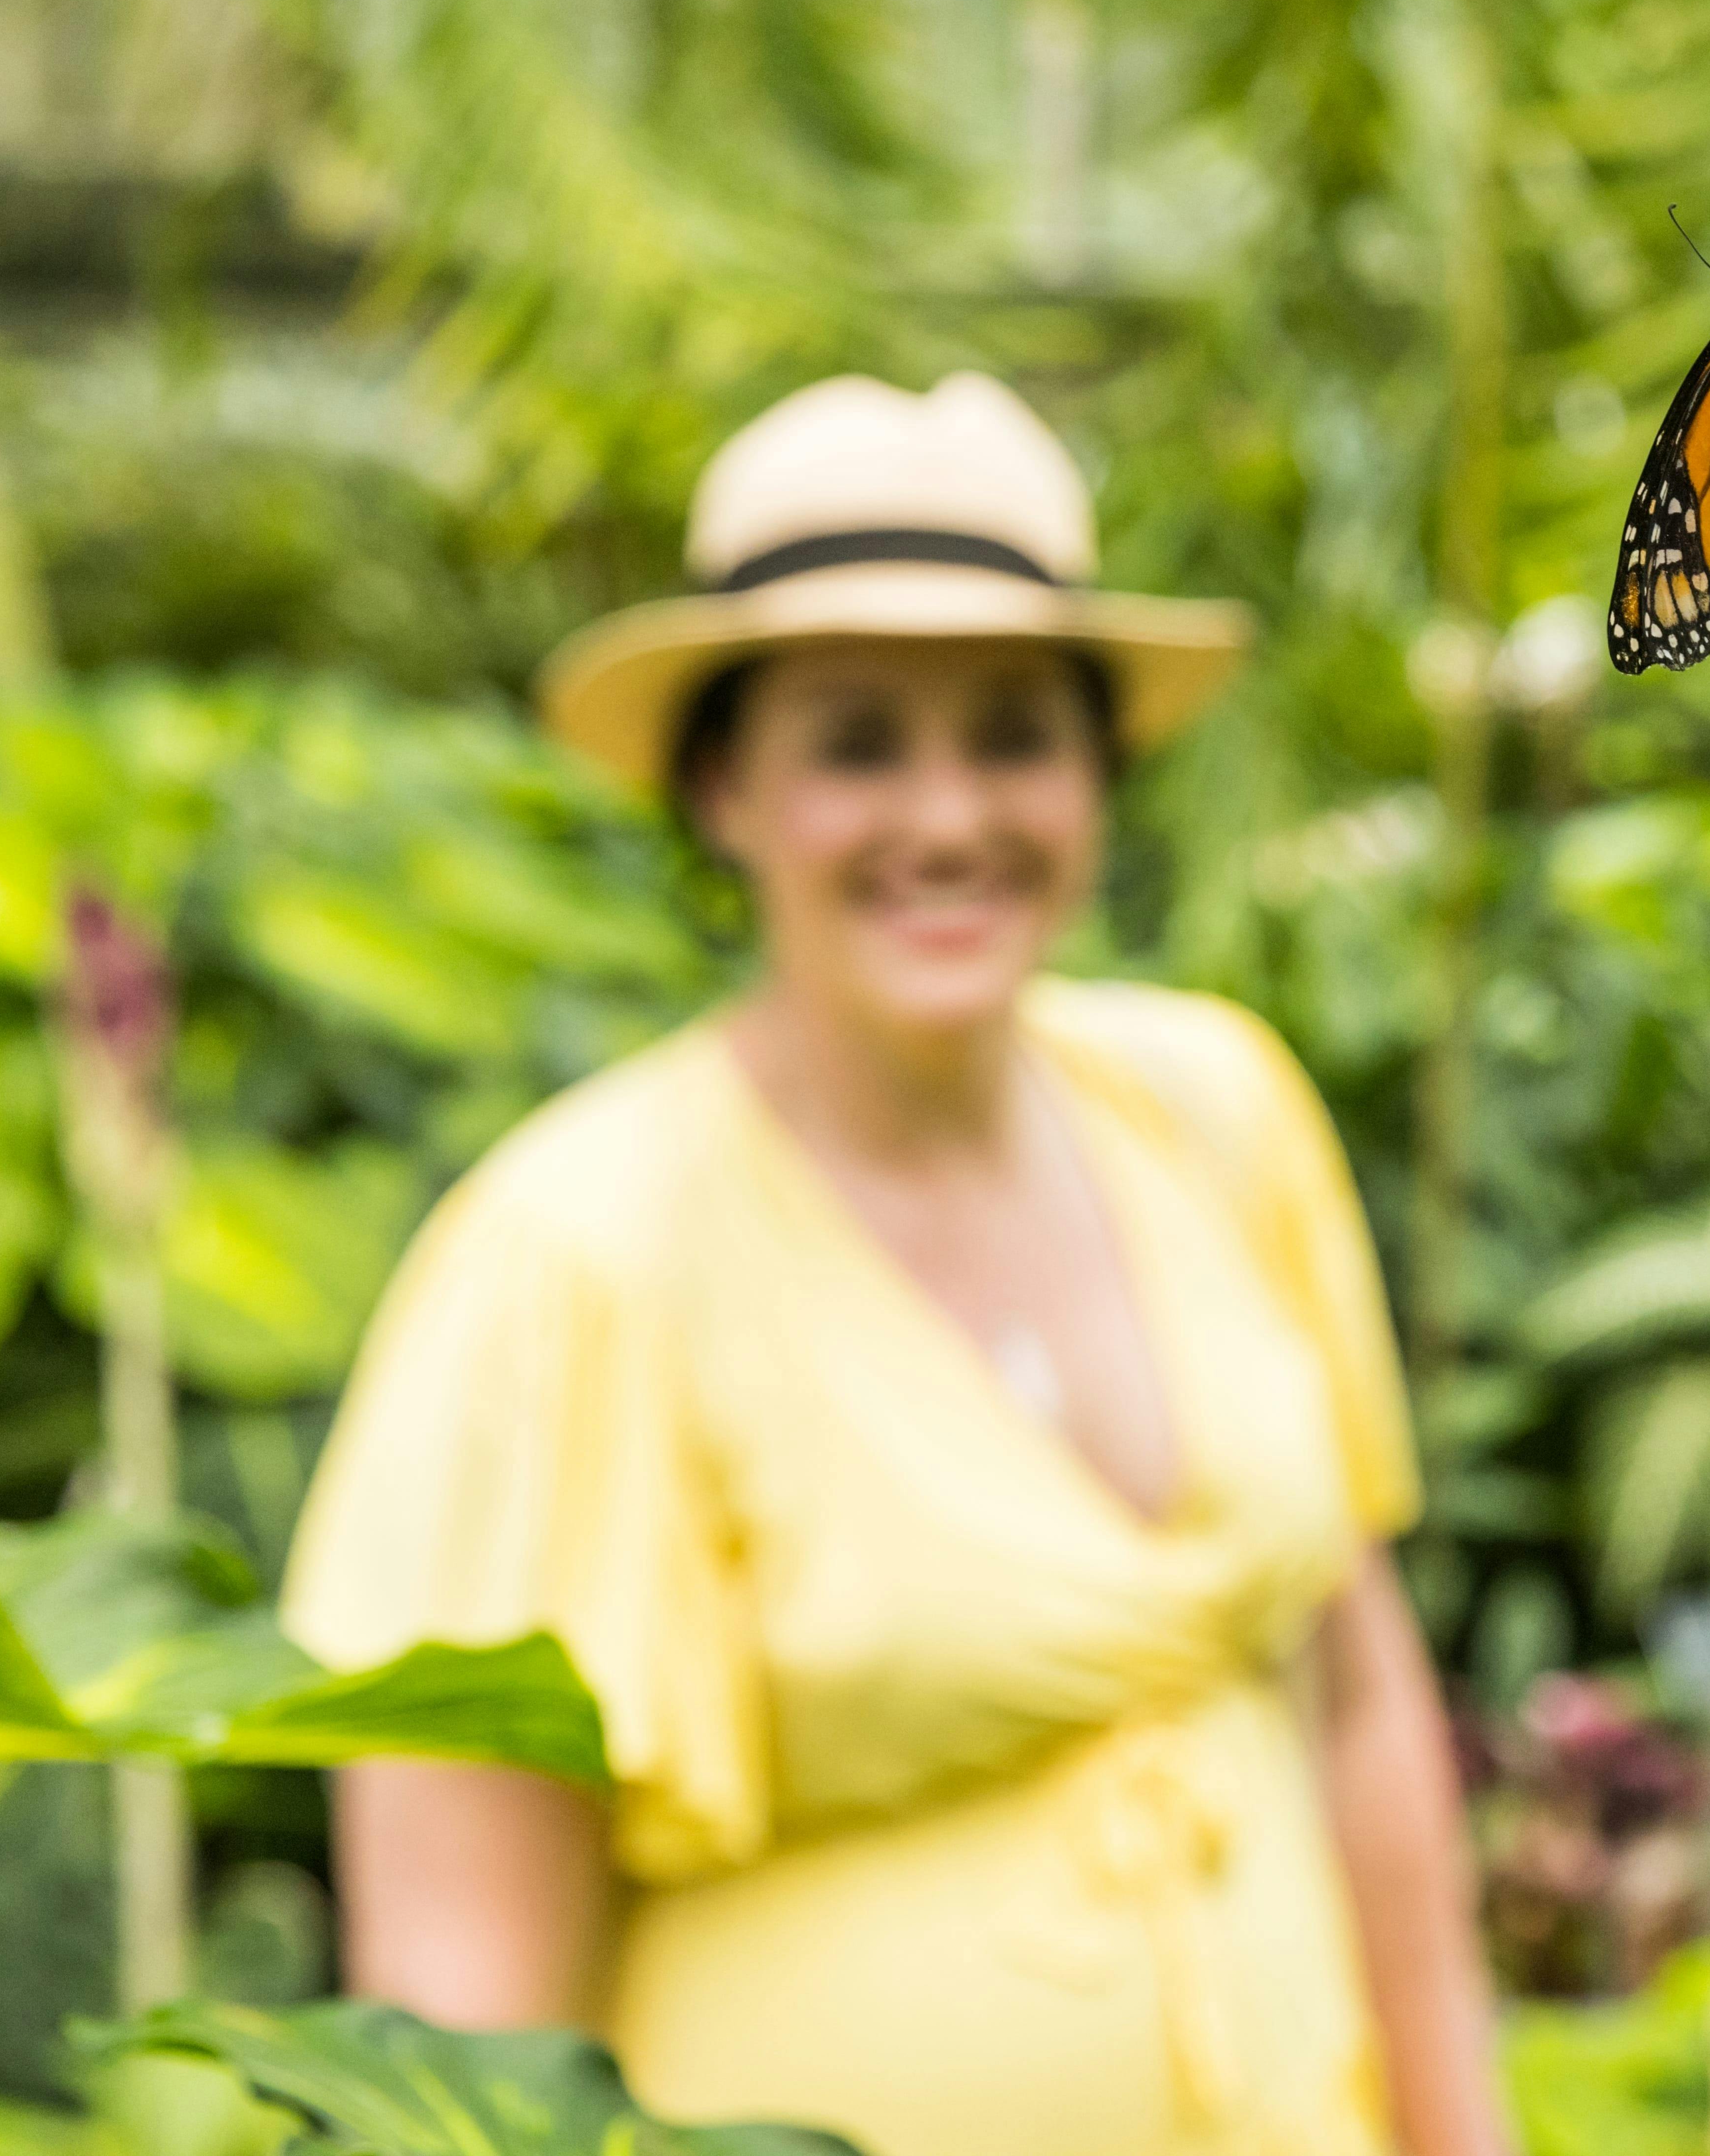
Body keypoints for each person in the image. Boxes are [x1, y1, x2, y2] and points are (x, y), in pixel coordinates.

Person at [282, 373, 1509, 2156]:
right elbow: (459, 1996)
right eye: (857, 744)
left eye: (1014, 733)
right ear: (726, 787)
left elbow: (1356, 1698)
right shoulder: (574, 1254)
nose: (947, 817)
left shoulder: (1218, 1110)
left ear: (1099, 775)